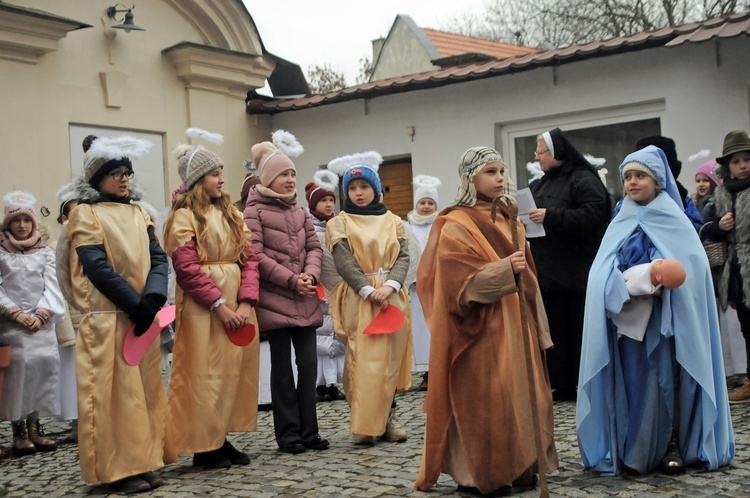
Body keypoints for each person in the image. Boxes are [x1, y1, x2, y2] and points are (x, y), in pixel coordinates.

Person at [577, 145, 734, 476]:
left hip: (668, 321)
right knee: (633, 382)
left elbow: (693, 270)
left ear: (658, 181)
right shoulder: (620, 219)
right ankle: (633, 447)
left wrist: (665, 281)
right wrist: (620, 283)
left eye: (640, 176)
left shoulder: (674, 220)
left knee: (669, 380)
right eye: (628, 177)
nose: (632, 183)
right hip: (628, 320)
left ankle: (670, 445)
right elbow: (600, 270)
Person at [415, 147, 557, 496]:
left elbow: (530, 276)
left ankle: (522, 466)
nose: (500, 178)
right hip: (482, 327)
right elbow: (455, 282)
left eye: (502, 171)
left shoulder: (511, 218)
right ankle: (479, 474)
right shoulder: (455, 223)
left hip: (517, 320)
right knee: (486, 397)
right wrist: (504, 269)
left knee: (523, 394)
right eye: (490, 171)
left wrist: (538, 323)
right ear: (469, 179)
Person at [67, 135, 172, 493]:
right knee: (113, 396)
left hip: (140, 318)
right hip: (110, 317)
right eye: (115, 173)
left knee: (142, 392)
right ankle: (118, 469)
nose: (124, 179)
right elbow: (96, 267)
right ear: (98, 179)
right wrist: (134, 303)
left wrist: (154, 297)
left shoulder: (140, 212)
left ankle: (144, 460)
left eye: (127, 172)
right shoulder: (86, 213)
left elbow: (158, 257)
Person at [163, 129, 261, 469]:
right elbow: (187, 268)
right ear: (197, 179)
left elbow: (249, 259)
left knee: (232, 373)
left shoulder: (232, 214)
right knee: (204, 374)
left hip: (238, 304)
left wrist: (246, 303)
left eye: (221, 173)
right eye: (214, 174)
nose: (222, 179)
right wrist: (220, 305)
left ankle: (219, 436)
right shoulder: (183, 217)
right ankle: (204, 444)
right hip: (205, 309)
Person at [243, 130, 329, 455]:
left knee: (308, 365)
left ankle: (310, 431)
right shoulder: (254, 211)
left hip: (305, 297)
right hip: (276, 301)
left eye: (293, 173)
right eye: (283, 174)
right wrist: (292, 280)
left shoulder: (299, 211)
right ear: (268, 178)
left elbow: (313, 246)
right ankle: (288, 434)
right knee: (282, 368)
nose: (291, 180)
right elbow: (256, 255)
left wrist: (310, 274)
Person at [326, 151, 412, 446]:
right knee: (362, 359)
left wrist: (389, 286)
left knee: (388, 360)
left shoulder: (393, 221)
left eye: (363, 186)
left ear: (375, 188)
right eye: (352, 188)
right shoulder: (340, 222)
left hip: (391, 295)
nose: (358, 193)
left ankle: (388, 416)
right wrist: (367, 289)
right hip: (360, 298)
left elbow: (403, 256)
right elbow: (344, 260)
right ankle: (364, 420)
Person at [529, 127, 611, 401]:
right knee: (555, 330)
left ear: (556, 152)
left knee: (576, 328)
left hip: (576, 272)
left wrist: (551, 216)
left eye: (540, 152)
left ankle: (582, 382)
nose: (537, 158)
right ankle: (560, 383)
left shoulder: (583, 179)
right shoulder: (540, 184)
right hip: (548, 271)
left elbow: (593, 216)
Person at [0, 191, 64, 456]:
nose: (22, 226)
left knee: (42, 371)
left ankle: (36, 427)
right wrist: (14, 312)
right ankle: (19, 431)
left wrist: (41, 314)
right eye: (17, 221)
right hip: (13, 325)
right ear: (8, 224)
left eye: (27, 220)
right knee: (18, 376)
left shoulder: (44, 252)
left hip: (40, 324)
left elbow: (52, 284)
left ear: (34, 223)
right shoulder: (2, 252)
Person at [700, 130, 750, 403]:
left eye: (747, 159)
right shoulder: (720, 194)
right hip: (736, 269)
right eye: (736, 161)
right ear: (727, 166)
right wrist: (720, 226)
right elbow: (704, 229)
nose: (743, 165)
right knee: (746, 326)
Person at [304, 170, 346, 403]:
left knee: (336, 330)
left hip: (336, 285)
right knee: (321, 332)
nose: (329, 204)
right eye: (323, 200)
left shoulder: (338, 225)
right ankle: (321, 383)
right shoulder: (308, 227)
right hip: (318, 286)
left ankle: (333, 380)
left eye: (331, 200)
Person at [404, 174, 441, 391]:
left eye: (430, 203)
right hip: (415, 287)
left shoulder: (441, 225)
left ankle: (434, 370)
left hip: (435, 285)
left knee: (434, 328)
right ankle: (420, 370)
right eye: (422, 202)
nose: (426, 207)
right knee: (417, 328)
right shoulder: (407, 226)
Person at [54, 182, 80, 444]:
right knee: (71, 370)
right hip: (70, 316)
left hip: (91, 313)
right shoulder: (56, 245)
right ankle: (75, 421)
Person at [634, 136, 703, 230]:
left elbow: (694, 230)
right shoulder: (630, 202)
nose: (633, 181)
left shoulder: (682, 199)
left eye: (641, 175)